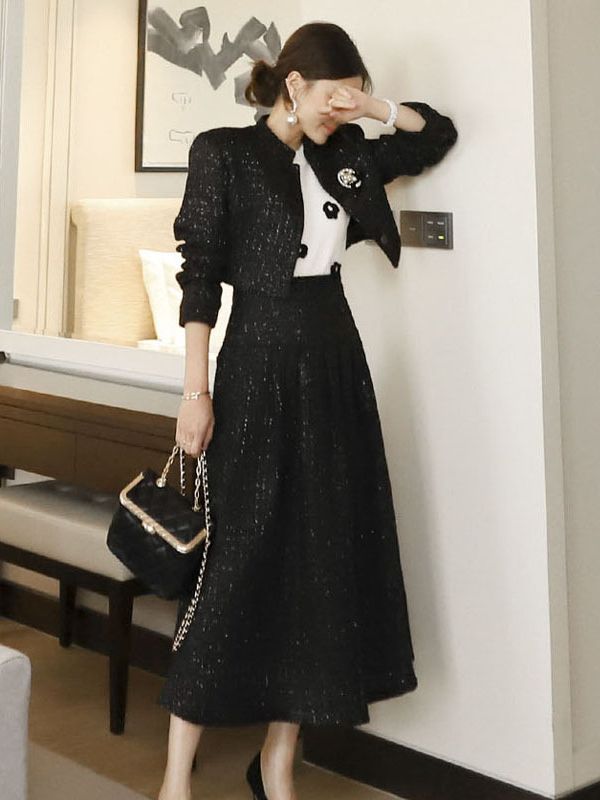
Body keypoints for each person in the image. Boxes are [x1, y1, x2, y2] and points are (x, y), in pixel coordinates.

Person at [157, 21, 458, 800]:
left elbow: (435, 134)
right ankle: (175, 779)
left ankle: (277, 764)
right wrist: (195, 392)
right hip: (256, 360)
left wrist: (371, 107)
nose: (339, 111)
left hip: (333, 359)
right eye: (332, 96)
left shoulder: (346, 154)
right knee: (236, 560)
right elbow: (200, 277)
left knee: (320, 560)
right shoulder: (225, 152)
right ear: (293, 84)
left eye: (349, 100)